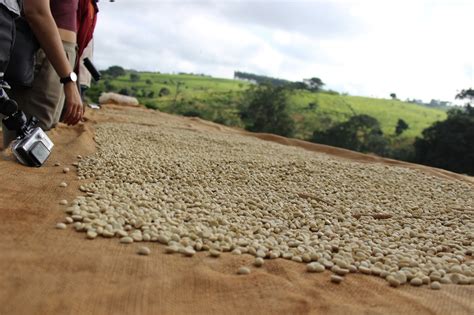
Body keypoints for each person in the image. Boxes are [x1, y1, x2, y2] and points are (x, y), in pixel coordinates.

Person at [3, 0, 83, 147]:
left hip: (60, 54)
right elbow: (36, 11)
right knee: (29, 143)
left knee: (43, 135)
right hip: (44, 50)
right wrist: (68, 79)